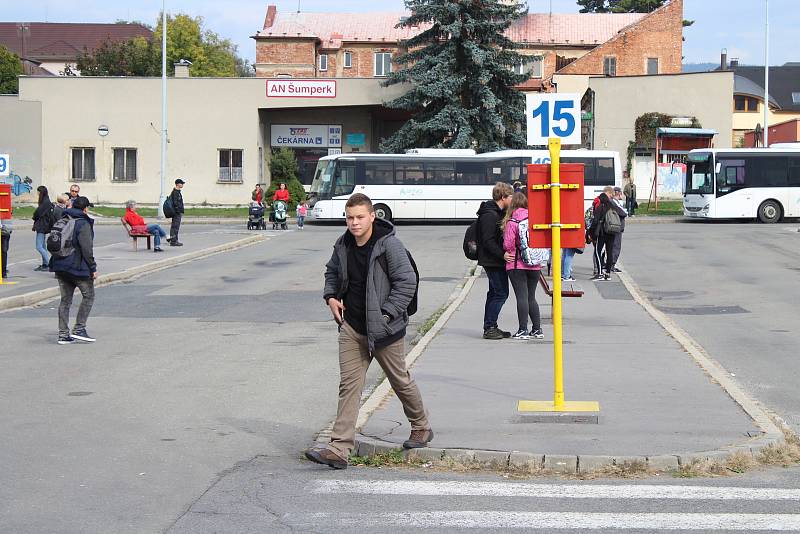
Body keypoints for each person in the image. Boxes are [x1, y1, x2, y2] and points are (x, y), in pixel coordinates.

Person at [308, 193, 431, 469]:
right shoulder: (343, 245)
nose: (354, 223)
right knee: (349, 385)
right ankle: (339, 449)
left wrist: (386, 313)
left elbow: (406, 282)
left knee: (399, 380)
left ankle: (421, 426)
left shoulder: (390, 246)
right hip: (352, 327)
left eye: (360, 217)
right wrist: (330, 296)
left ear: (372, 216)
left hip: (386, 329)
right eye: (350, 218)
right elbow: (331, 272)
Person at [50, 196, 97, 345]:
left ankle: (63, 334)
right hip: (77, 267)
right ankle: (79, 328)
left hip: (60, 266)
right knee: (89, 296)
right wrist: (93, 268)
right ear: (85, 208)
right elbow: (87, 249)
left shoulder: (63, 219)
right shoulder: (82, 223)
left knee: (65, 301)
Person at [502, 192, 544, 340]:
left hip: (517, 264)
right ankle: (537, 329)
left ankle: (522, 330)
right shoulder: (534, 221)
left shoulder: (512, 222)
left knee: (521, 297)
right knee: (531, 297)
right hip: (535, 264)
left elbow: (508, 244)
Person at [477, 182, 514, 340]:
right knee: (501, 293)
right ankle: (490, 327)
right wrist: (502, 254)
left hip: (494, 260)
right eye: (511, 196)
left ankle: (491, 326)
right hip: (492, 260)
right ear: (503, 197)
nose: (512, 200)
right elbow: (488, 240)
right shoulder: (490, 215)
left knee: (494, 293)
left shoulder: (495, 212)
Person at [589, 189, 616, 281]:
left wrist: (591, 233)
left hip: (602, 233)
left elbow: (595, 221)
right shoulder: (612, 206)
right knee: (609, 252)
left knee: (598, 251)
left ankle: (600, 273)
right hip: (612, 232)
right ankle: (608, 274)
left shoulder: (601, 206)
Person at [32, 185, 53, 271]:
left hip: (42, 226)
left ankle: (49, 264)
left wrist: (34, 217)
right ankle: (45, 264)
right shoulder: (45, 200)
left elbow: (37, 213)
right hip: (43, 225)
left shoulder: (45, 202)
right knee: (43, 246)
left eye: (38, 192)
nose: (37, 193)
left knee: (39, 246)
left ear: (41, 192)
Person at [609, 186, 628, 273]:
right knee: (616, 246)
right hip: (616, 227)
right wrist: (625, 212)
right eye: (620, 193)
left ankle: (611, 264)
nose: (621, 195)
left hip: (617, 227)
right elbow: (622, 213)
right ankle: (611, 265)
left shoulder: (616, 202)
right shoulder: (613, 202)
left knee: (615, 246)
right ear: (618, 193)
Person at [168, 179, 185, 246]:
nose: (182, 184)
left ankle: (174, 240)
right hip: (176, 213)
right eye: (181, 183)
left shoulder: (177, 192)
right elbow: (175, 203)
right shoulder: (175, 192)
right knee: (175, 227)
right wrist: (178, 211)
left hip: (177, 212)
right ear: (178, 184)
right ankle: (174, 241)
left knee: (175, 226)